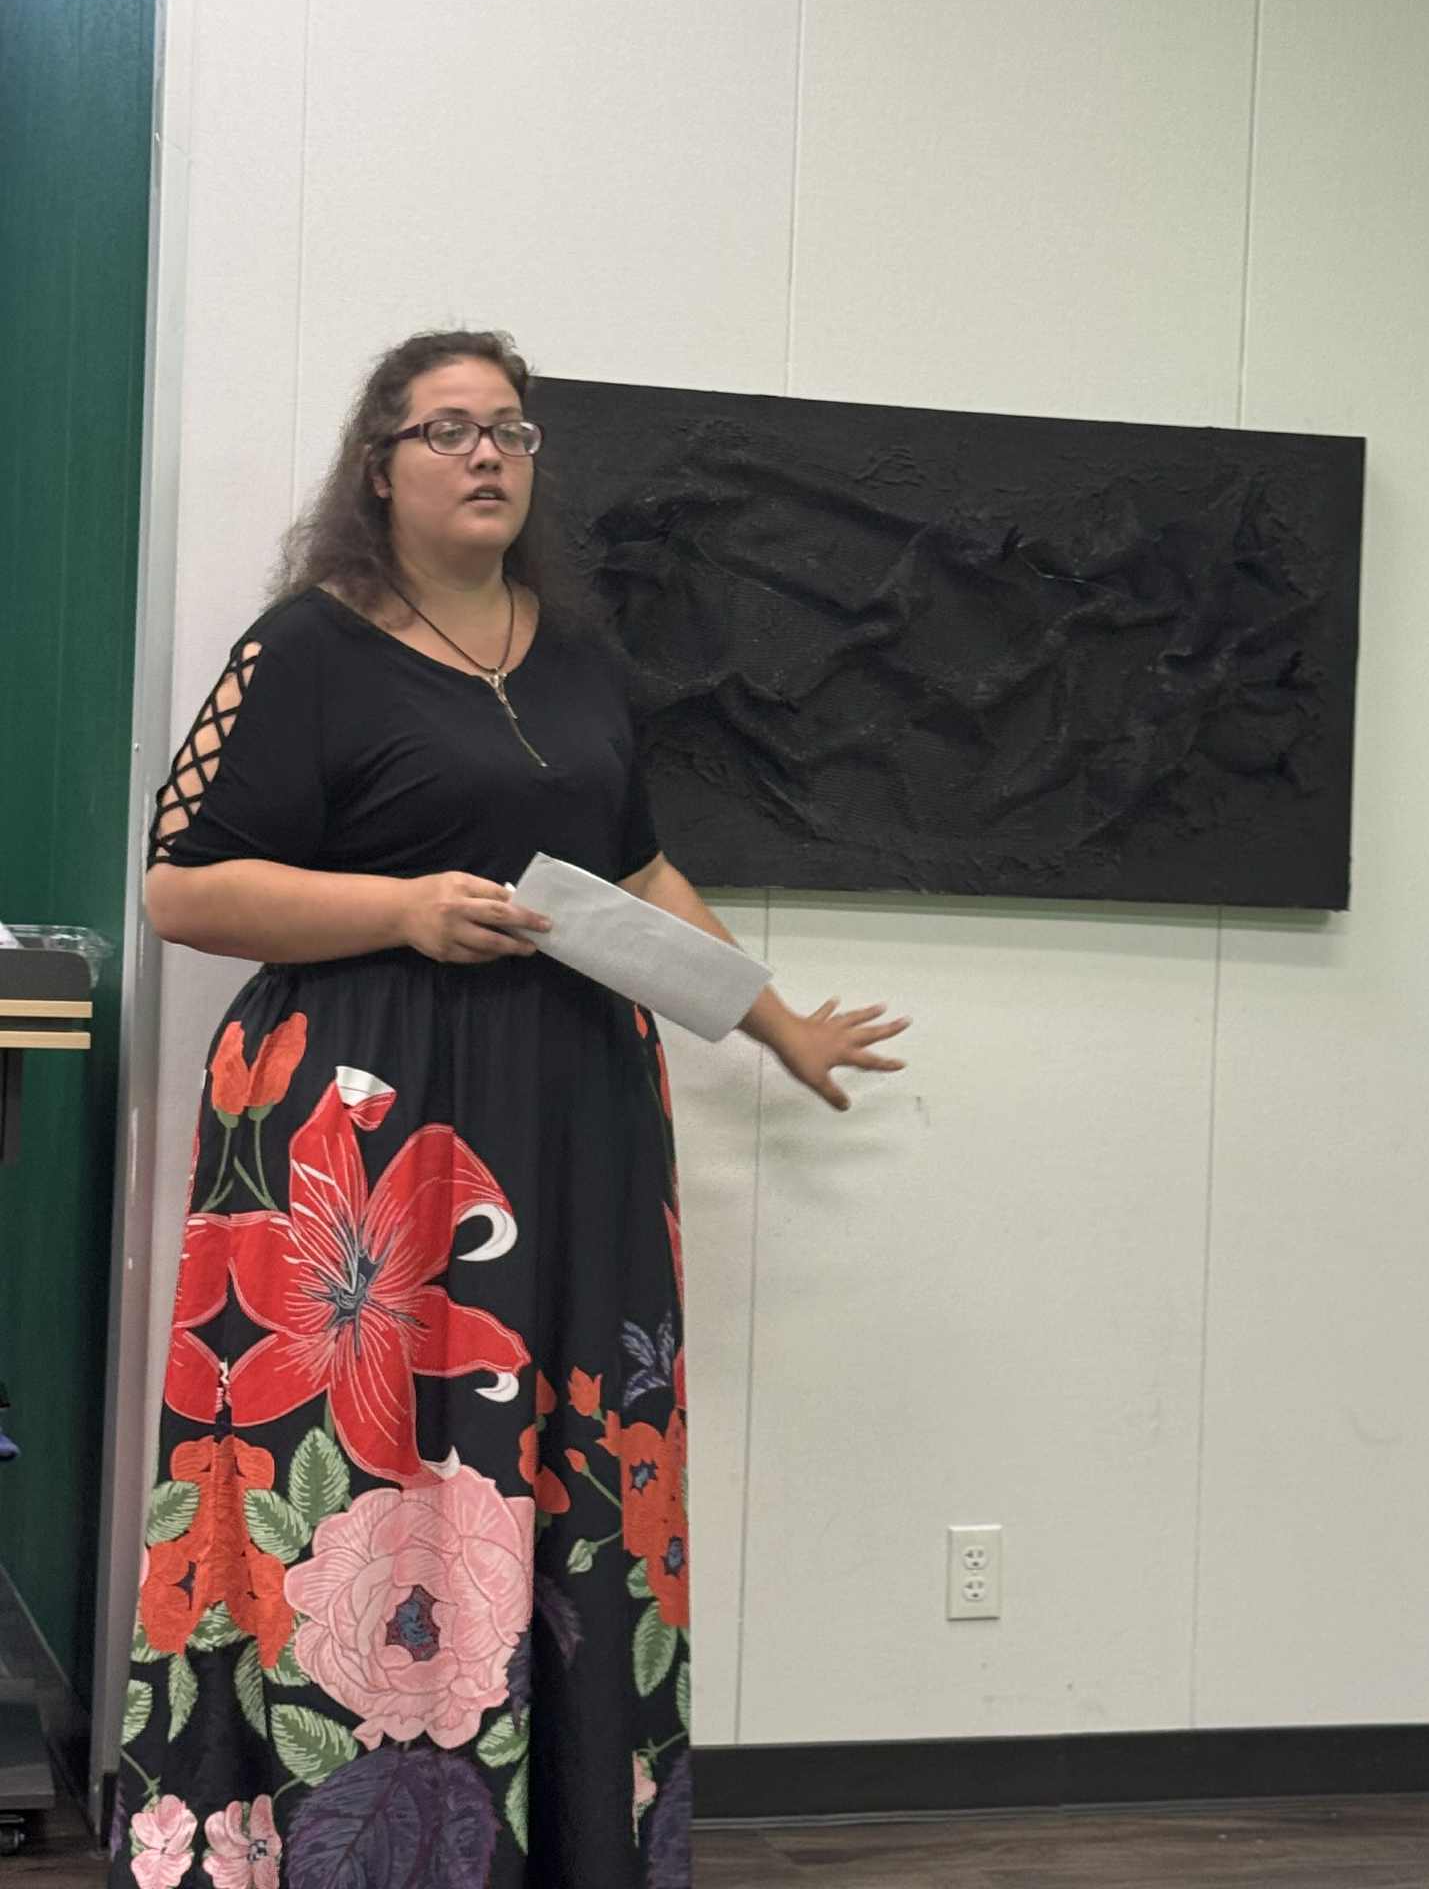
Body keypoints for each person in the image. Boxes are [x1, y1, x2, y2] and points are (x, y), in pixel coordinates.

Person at [108, 328, 909, 1889]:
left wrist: (774, 1020)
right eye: (450, 428)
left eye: (511, 431)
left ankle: (561, 1841)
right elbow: (181, 889)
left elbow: (635, 870)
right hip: (363, 1130)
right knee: (363, 1463)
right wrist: (402, 909)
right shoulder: (305, 647)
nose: (487, 453)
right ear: (379, 466)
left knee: (565, 1464)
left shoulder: (585, 660)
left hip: (572, 1118)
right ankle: (330, 1839)